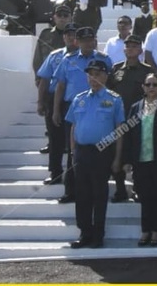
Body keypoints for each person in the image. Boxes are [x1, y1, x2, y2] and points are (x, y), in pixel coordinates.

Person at [64, 59, 124, 249]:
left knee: (99, 194)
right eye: (90, 74)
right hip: (82, 151)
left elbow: (120, 129)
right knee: (82, 194)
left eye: (97, 74)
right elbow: (73, 126)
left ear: (106, 76)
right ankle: (85, 233)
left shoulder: (114, 99)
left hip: (102, 151)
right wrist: (73, 151)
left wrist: (117, 158)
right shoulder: (79, 98)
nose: (93, 78)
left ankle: (98, 235)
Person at [52, 27, 113, 204]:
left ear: (95, 40)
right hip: (74, 108)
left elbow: (111, 84)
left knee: (99, 150)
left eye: (91, 39)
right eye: (84, 40)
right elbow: (61, 86)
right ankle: (70, 190)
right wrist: (56, 110)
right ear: (76, 42)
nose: (88, 43)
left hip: (99, 107)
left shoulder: (104, 59)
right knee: (72, 151)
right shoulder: (68, 60)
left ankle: (98, 188)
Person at [123, 73, 157, 247]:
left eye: (155, 84)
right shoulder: (135, 107)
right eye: (148, 85)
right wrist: (127, 159)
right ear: (143, 88)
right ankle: (145, 230)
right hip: (141, 160)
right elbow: (129, 135)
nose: (151, 87)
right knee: (144, 196)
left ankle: (156, 232)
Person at [107, 35, 153, 202]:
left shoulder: (147, 70)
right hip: (119, 119)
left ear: (140, 50)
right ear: (124, 49)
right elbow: (109, 91)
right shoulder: (116, 69)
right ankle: (120, 189)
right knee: (117, 154)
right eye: (128, 46)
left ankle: (138, 188)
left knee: (139, 154)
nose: (131, 49)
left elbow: (152, 93)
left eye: (135, 46)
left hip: (140, 119)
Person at [36, 24, 77, 185]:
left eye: (73, 35)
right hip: (53, 97)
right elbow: (44, 79)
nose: (70, 37)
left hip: (72, 99)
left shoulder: (84, 57)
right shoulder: (54, 55)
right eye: (67, 35)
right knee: (55, 137)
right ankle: (55, 172)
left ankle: (71, 175)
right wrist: (40, 102)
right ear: (63, 37)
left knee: (72, 139)